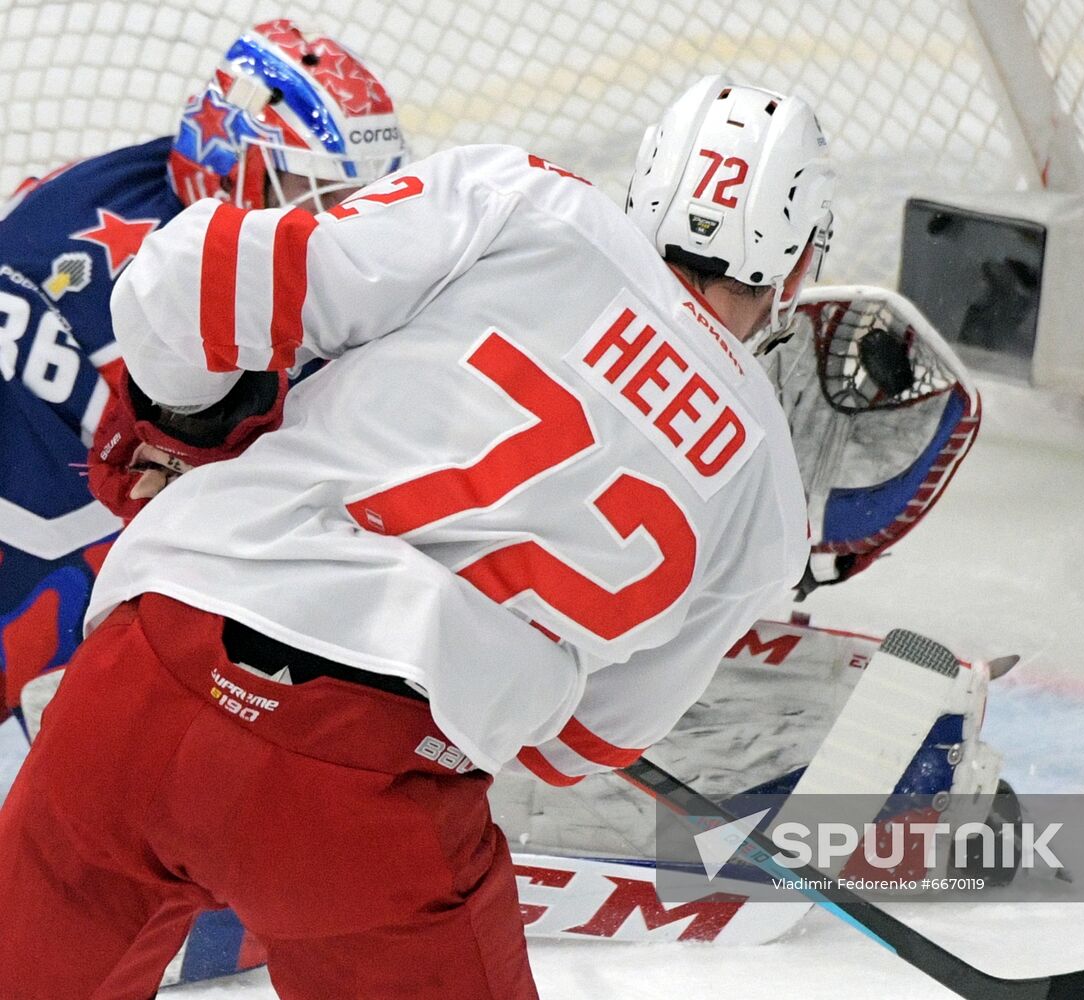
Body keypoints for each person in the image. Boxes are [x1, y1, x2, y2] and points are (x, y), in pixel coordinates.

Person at [0, 74, 833, 998]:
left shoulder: (529, 200)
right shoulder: (768, 501)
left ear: (643, 187)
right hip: (370, 802)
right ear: (798, 270)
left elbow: (199, 276)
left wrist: (187, 428)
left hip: (147, 680)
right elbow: (580, 747)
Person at [0, 18, 405, 733]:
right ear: (234, 160)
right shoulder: (171, 290)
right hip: (36, 523)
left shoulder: (131, 183)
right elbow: (207, 487)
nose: (338, 215)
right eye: (313, 189)